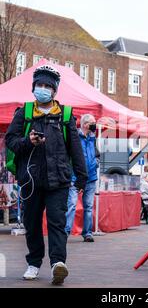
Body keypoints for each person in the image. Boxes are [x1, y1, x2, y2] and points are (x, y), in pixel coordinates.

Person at [5, 65, 87, 285]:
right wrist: (27, 141)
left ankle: (58, 264)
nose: (43, 89)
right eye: (39, 85)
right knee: (31, 223)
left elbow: (75, 149)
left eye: (47, 86)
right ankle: (34, 263)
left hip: (58, 179)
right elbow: (10, 141)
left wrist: (81, 177)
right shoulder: (25, 112)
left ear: (54, 90)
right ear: (34, 87)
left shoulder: (66, 115)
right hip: (30, 179)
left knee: (56, 223)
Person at [65, 114, 105, 241]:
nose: (94, 125)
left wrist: (96, 163)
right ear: (85, 124)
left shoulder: (92, 138)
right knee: (71, 204)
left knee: (88, 206)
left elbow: (96, 154)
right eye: (92, 123)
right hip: (75, 177)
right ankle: (65, 231)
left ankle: (87, 233)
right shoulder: (75, 136)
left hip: (91, 177)